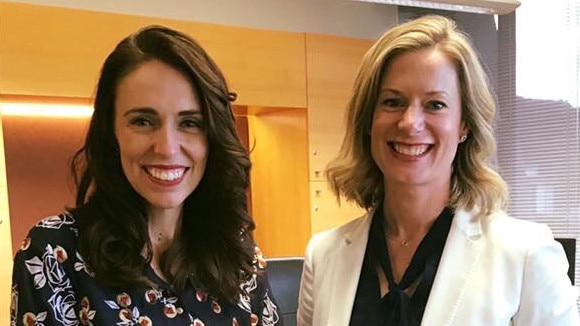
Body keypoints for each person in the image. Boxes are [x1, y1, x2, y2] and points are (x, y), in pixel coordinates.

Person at [297, 14, 579, 326]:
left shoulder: (525, 255)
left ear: (464, 125)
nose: (409, 122)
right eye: (392, 102)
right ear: (368, 120)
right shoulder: (324, 255)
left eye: (435, 105)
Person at [11, 25, 282, 326]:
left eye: (190, 122)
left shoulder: (236, 249)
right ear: (111, 133)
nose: (166, 148)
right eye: (142, 121)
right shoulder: (53, 253)